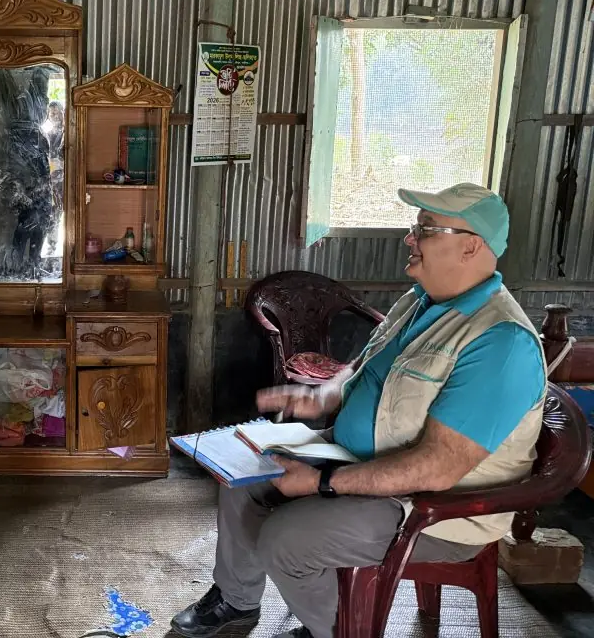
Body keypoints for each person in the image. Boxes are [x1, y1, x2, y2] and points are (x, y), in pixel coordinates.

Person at [171, 183, 547, 638]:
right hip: (362, 460)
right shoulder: (418, 302)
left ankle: (338, 629)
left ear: (471, 247)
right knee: (245, 476)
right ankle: (237, 599)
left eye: (426, 229)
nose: (410, 238)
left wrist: (321, 482)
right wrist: (322, 397)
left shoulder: (500, 343)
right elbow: (361, 369)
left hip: (432, 509)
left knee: (286, 539)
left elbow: (438, 467)